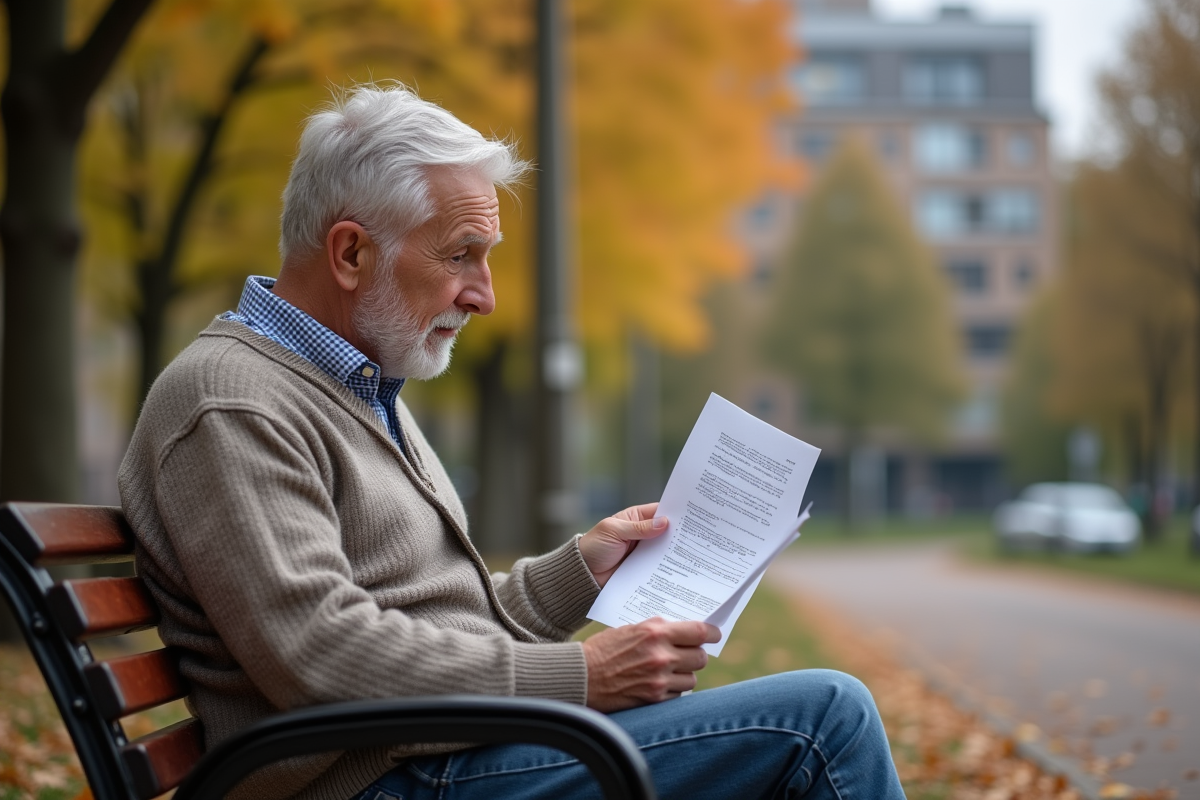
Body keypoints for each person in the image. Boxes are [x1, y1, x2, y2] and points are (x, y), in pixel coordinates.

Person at [119, 83, 906, 800]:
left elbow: (434, 628)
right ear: (351, 253)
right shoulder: (232, 401)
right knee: (823, 719)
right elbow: (321, 657)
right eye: (460, 254)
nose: (484, 295)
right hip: (380, 782)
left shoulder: (349, 386)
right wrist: (582, 678)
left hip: (430, 762)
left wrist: (581, 571)